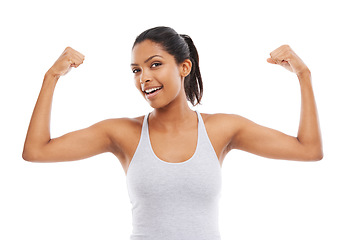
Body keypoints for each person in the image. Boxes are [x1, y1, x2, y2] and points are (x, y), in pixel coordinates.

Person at [22, 26, 323, 240]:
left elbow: (308, 150)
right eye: (136, 70)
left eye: (155, 65)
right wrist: (51, 77)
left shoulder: (222, 129)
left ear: (184, 67)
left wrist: (303, 75)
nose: (144, 78)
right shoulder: (123, 133)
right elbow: (36, 151)